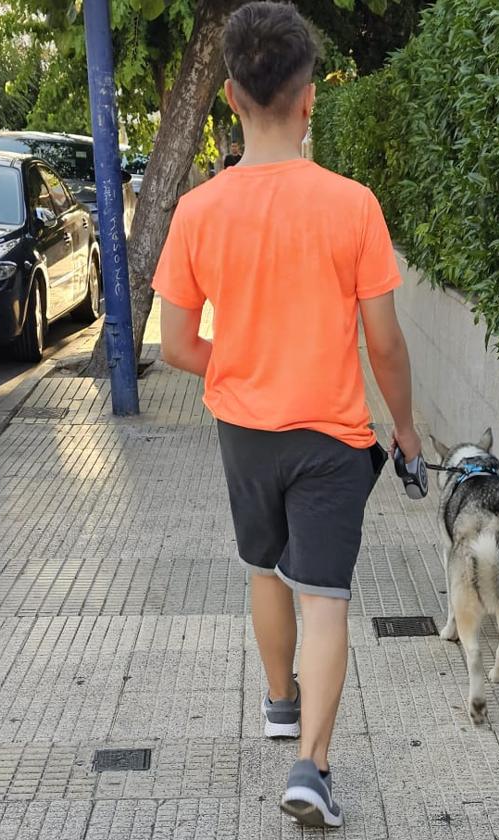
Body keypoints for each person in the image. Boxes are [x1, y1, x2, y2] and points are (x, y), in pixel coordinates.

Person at [152, 1, 420, 828]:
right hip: (333, 435)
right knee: (327, 599)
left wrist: (235, 365)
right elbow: (385, 344)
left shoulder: (198, 211)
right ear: (310, 99)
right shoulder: (352, 205)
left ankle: (278, 701)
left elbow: (174, 345)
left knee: (263, 567)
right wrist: (406, 433)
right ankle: (313, 765)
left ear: (230, 96)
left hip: (243, 429)